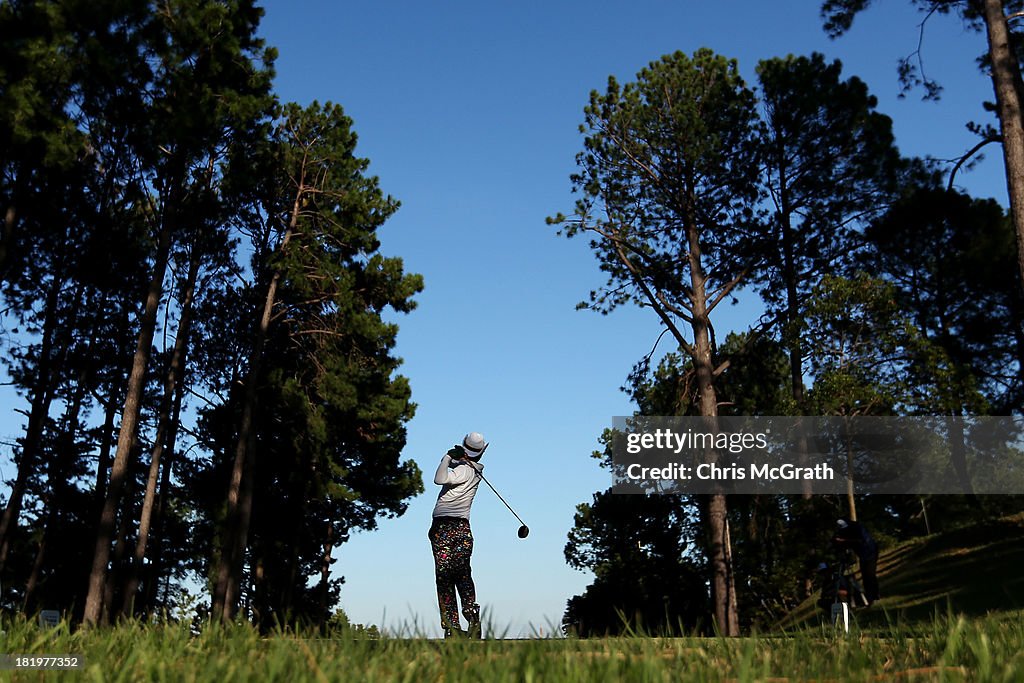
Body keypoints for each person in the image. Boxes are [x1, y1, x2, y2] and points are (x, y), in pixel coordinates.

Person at [429, 432, 487, 638]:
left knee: (444, 577)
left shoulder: (463, 470)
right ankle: (472, 616)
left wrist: (446, 457)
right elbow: (459, 469)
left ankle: (452, 626)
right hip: (463, 528)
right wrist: (458, 459)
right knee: (462, 574)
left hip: (444, 528)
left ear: (464, 448)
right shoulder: (476, 470)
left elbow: (439, 478)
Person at [832, 517, 880, 604]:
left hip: (870, 552)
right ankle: (870, 597)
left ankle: (874, 596)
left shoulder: (857, 528)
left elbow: (860, 541)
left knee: (870, 574)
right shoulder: (845, 531)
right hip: (862, 555)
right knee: (865, 576)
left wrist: (844, 541)